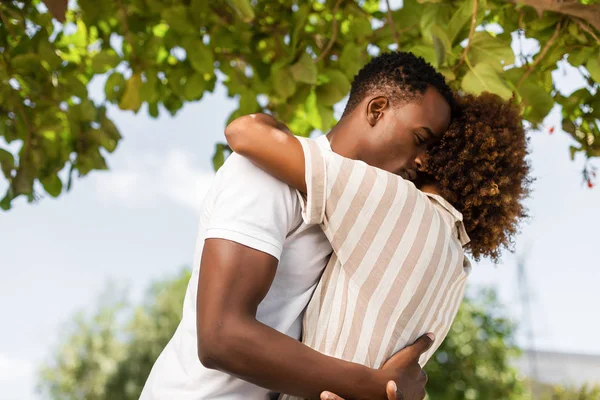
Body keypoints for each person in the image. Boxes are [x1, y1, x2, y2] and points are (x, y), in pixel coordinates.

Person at [139, 51, 454, 400]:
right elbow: (220, 336)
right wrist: (378, 387)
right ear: (377, 110)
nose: (426, 160)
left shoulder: (372, 220)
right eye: (421, 138)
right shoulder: (264, 171)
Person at [225, 91, 531, 400]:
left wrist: (273, 122)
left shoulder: (399, 204)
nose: (420, 155)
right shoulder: (457, 267)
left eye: (429, 142)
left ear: (449, 152)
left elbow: (245, 133)